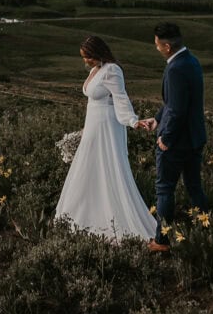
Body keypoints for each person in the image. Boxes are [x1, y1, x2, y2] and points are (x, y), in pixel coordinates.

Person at [55, 36, 155, 241]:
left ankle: (111, 218)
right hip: (93, 126)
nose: (86, 62)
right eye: (84, 58)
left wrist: (133, 121)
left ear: (99, 53)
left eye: (88, 57)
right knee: (88, 166)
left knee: (107, 166)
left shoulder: (112, 70)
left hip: (107, 127)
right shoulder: (96, 70)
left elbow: (120, 99)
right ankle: (80, 215)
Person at [139, 22, 208, 253]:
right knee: (194, 186)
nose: (156, 48)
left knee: (164, 189)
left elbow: (177, 109)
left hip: (177, 141)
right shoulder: (191, 61)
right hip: (194, 138)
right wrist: (158, 119)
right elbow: (174, 103)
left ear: (167, 46)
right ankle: (207, 228)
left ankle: (161, 241)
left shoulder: (175, 68)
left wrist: (165, 137)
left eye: (157, 45)